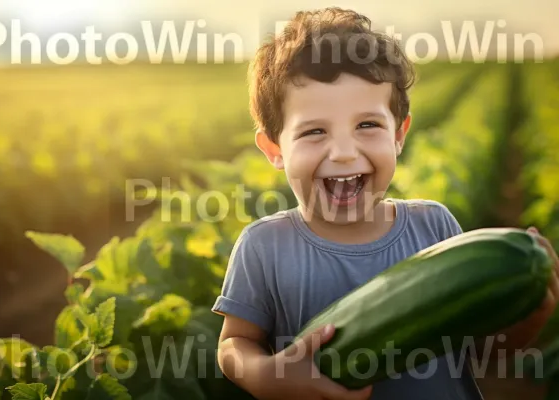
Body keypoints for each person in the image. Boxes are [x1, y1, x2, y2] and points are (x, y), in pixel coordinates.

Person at [211, 7, 559, 400]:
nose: (343, 152)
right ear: (274, 149)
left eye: (367, 125)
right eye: (314, 131)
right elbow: (234, 344)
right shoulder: (263, 245)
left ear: (399, 134)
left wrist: (534, 311)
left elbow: (479, 351)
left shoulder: (434, 226)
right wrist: (266, 376)